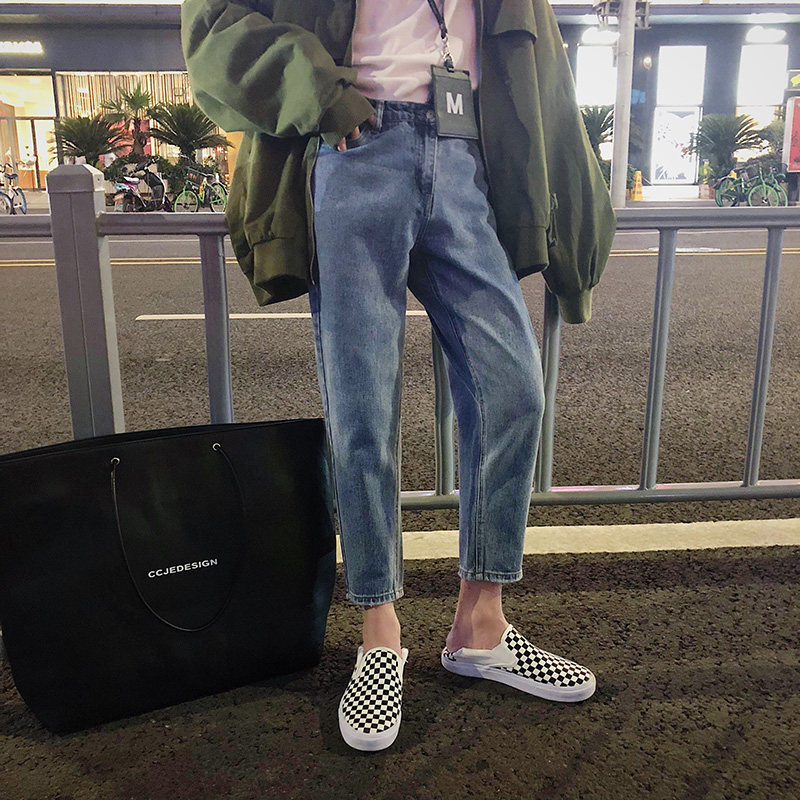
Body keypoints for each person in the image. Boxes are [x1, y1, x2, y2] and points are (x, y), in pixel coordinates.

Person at [182, 0, 615, 752]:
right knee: (362, 408)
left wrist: (575, 230)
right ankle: (379, 633)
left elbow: (544, 74)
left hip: (466, 150)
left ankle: (480, 625)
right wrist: (322, 96)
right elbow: (213, 24)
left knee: (513, 388)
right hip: (356, 142)